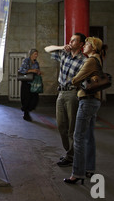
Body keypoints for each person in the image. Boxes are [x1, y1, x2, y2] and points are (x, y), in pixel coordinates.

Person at [64, 37, 107, 184]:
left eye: (87, 44)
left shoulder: (90, 61)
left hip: (87, 101)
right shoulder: (98, 59)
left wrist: (73, 81)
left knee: (78, 137)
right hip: (94, 100)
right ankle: (89, 168)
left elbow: (76, 79)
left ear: (93, 47)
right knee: (89, 136)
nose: (85, 46)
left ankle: (77, 173)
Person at [44, 33, 86, 167]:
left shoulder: (83, 61)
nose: (71, 42)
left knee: (72, 126)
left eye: (74, 40)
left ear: (80, 44)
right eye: (71, 40)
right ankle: (70, 152)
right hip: (61, 93)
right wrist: (63, 47)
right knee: (61, 125)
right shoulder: (64, 54)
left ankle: (71, 156)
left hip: (72, 93)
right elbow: (47, 49)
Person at [18, 48, 41, 121]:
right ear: (31, 54)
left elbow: (37, 70)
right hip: (26, 82)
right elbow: (21, 70)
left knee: (34, 99)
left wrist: (38, 72)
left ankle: (28, 110)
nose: (36, 56)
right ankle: (26, 113)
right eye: (35, 54)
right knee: (26, 99)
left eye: (37, 54)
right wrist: (32, 70)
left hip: (33, 83)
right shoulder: (26, 61)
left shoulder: (36, 63)